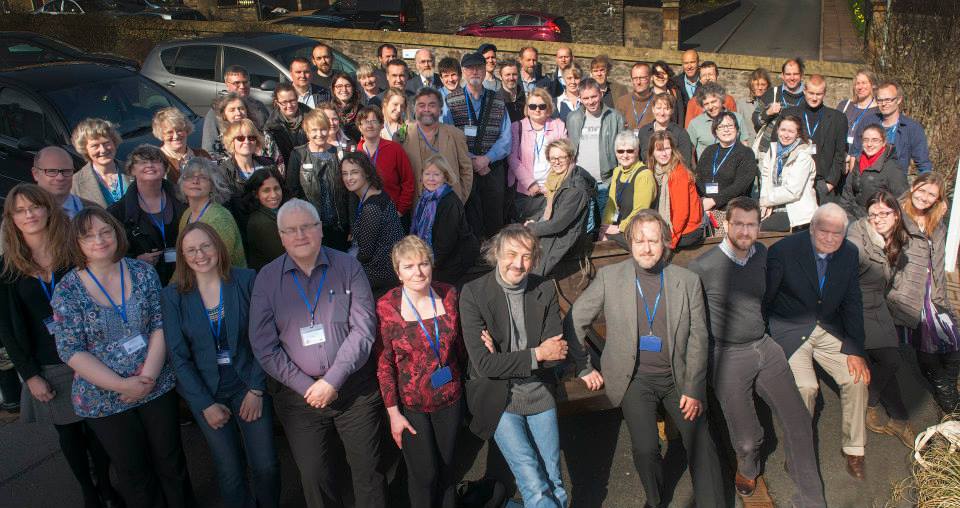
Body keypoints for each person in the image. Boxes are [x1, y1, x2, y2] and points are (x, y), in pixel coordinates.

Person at [568, 210, 723, 508]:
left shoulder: (687, 281)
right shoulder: (611, 277)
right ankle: (655, 499)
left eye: (653, 240)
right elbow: (576, 319)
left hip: (678, 378)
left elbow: (699, 339)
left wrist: (693, 389)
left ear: (665, 243)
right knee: (645, 450)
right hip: (634, 380)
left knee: (702, 444)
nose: (647, 247)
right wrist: (584, 366)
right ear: (630, 242)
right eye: (639, 240)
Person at [687, 197, 826, 507]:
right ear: (726, 224)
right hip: (727, 355)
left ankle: (810, 498)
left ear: (759, 227)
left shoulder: (760, 254)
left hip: (764, 346)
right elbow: (690, 320)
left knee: (799, 421)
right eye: (738, 223)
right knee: (749, 439)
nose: (745, 230)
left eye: (752, 224)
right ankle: (748, 467)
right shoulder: (703, 267)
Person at [249, 198, 387, 508]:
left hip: (354, 390)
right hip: (300, 399)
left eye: (306, 227)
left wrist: (333, 380)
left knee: (368, 473)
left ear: (320, 230)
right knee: (314, 477)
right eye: (290, 230)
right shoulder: (267, 279)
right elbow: (264, 345)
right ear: (281, 236)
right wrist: (306, 387)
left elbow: (363, 330)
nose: (300, 235)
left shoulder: (348, 267)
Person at [52, 207, 194, 507]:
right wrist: (122, 385)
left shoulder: (142, 272)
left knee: (171, 462)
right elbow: (70, 349)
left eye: (105, 231)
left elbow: (160, 324)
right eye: (88, 235)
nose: (99, 240)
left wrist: (149, 377)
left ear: (116, 232)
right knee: (134, 472)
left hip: (155, 385)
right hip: (103, 399)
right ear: (75, 243)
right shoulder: (68, 290)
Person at [0, 184, 122, 508]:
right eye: (21, 210)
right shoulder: (7, 268)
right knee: (70, 435)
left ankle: (106, 485)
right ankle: (88, 489)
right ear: (11, 219)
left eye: (35, 207)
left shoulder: (72, 250)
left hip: (89, 355)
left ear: (47, 209)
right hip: (49, 366)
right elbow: (8, 330)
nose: (29, 215)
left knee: (98, 430)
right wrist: (30, 375)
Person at [459, 225, 598, 508]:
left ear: (534, 259)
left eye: (526, 256)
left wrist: (506, 357)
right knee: (533, 482)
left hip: (539, 392)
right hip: (499, 397)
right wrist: (537, 353)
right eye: (511, 254)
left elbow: (557, 353)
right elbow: (485, 365)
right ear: (497, 253)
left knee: (553, 479)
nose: (518, 263)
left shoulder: (543, 288)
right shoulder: (473, 293)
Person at [162, 222, 280, 508]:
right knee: (229, 470)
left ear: (218, 247)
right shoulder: (173, 296)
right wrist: (204, 404)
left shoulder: (246, 280)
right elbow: (178, 357)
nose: (199, 254)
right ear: (182, 255)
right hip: (208, 392)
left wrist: (256, 388)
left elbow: (265, 338)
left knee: (265, 465)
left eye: (205, 246)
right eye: (191, 249)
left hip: (247, 384)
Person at [765, 203, 870, 480]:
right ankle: (797, 450)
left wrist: (855, 349)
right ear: (812, 227)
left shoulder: (848, 254)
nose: (830, 238)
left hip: (827, 328)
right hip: (790, 328)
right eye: (824, 231)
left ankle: (854, 447)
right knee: (806, 386)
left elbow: (852, 303)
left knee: (856, 378)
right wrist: (765, 341)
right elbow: (766, 299)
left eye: (838, 233)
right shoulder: (783, 252)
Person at [375, 235, 466, 508]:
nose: (418, 272)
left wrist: (481, 339)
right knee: (423, 474)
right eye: (409, 266)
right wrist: (393, 413)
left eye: (424, 263)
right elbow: (384, 364)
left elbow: (461, 345)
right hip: (412, 404)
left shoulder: (449, 295)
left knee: (448, 469)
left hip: (449, 397)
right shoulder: (387, 307)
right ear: (398, 272)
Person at [846, 191, 916, 447]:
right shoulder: (858, 235)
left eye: (883, 213)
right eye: (873, 214)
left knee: (889, 361)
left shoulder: (898, 240)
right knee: (889, 360)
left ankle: (893, 415)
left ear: (896, 214)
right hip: (855, 306)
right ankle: (888, 412)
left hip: (877, 305)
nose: (877, 219)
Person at [887, 173, 956, 416]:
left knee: (950, 345)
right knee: (928, 348)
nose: (924, 198)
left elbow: (937, 265)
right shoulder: (894, 214)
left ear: (938, 200)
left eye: (932, 195)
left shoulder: (937, 223)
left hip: (931, 291)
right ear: (913, 186)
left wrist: (942, 300)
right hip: (907, 289)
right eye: (922, 190)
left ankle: (948, 396)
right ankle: (950, 404)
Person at [442, 52, 513, 239]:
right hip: (464, 169)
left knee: (494, 217)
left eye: (479, 67)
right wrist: (472, 160)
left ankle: (494, 258)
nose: (475, 71)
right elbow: (448, 136)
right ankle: (472, 258)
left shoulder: (498, 100)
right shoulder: (450, 102)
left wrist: (486, 159)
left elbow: (506, 139)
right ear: (463, 71)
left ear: (485, 70)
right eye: (470, 68)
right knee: (469, 217)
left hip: (492, 169)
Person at [107, 145, 186, 285]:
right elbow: (111, 254)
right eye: (142, 162)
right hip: (145, 282)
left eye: (156, 161)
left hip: (185, 275)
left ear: (165, 168)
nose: (150, 165)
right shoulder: (117, 212)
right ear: (132, 170)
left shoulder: (184, 199)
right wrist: (136, 261)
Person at [525, 139, 596, 276]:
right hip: (556, 230)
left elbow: (558, 224)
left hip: (568, 240)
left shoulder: (575, 188)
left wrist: (531, 228)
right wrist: (532, 220)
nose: (556, 162)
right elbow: (548, 208)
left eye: (561, 158)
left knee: (532, 269)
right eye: (552, 158)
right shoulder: (556, 179)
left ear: (570, 157)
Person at [285, 109, 350, 252]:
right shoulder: (298, 155)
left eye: (323, 129)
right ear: (307, 132)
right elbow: (292, 192)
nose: (319, 134)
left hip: (338, 225)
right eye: (314, 130)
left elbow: (349, 192)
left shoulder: (340, 153)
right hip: (311, 225)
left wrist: (351, 224)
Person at [340, 152, 404, 295]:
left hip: (381, 274)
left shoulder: (372, 207)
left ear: (366, 173)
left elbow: (365, 254)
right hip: (386, 268)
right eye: (345, 173)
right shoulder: (374, 195)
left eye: (354, 172)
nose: (348, 178)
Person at [410, 155, 479, 285]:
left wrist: (428, 266)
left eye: (436, 174)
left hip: (454, 259)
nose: (431, 179)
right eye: (427, 174)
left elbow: (445, 242)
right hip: (435, 256)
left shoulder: (449, 202)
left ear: (445, 177)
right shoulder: (425, 198)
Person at [566, 78, 627, 222]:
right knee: (586, 226)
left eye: (593, 96)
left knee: (610, 224)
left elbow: (622, 149)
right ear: (580, 98)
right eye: (586, 98)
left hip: (607, 182)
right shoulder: (573, 118)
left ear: (600, 94)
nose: (591, 101)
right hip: (582, 184)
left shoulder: (615, 117)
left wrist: (619, 181)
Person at [782, 75, 848, 203]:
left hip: (823, 183)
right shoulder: (789, 114)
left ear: (824, 94)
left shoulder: (837, 118)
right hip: (793, 182)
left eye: (818, 94)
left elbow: (840, 153)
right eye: (811, 93)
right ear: (804, 91)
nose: (814, 97)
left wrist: (830, 183)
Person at [403, 88, 474, 203]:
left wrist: (459, 201)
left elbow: (466, 171)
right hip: (416, 206)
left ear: (440, 110)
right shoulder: (403, 136)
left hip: (448, 207)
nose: (426, 109)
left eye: (432, 105)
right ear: (415, 109)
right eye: (421, 105)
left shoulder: (455, 135)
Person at [507, 88, 568, 222]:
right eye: (533, 106)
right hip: (525, 192)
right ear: (527, 109)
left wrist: (550, 185)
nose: (537, 110)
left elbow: (565, 157)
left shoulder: (558, 125)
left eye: (542, 106)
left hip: (552, 190)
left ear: (548, 108)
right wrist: (530, 184)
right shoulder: (517, 127)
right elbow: (512, 158)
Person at [694, 112, 758, 233]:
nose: (726, 130)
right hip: (706, 209)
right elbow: (698, 177)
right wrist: (704, 200)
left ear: (737, 129)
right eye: (721, 127)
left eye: (730, 125)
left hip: (732, 211)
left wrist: (713, 201)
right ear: (715, 131)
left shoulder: (746, 153)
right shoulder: (709, 151)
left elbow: (740, 185)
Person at [849, 80, 932, 175]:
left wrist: (925, 186)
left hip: (894, 185)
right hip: (866, 182)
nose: (884, 104)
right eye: (880, 100)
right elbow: (855, 154)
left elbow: (923, 165)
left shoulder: (912, 128)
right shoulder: (867, 122)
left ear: (899, 100)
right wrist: (853, 182)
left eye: (888, 100)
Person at [177, 158, 247, 268]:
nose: (195, 181)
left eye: (203, 177)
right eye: (189, 176)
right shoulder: (187, 214)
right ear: (182, 182)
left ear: (213, 185)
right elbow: (182, 262)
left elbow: (218, 265)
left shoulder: (220, 218)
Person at [758, 115, 818, 232]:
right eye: (783, 130)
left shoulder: (803, 156)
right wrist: (764, 205)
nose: (785, 135)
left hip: (797, 214)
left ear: (798, 134)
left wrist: (765, 200)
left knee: (759, 230)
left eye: (791, 131)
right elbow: (765, 179)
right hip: (773, 208)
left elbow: (792, 191)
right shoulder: (772, 152)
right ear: (777, 130)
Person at [356, 105, 416, 219]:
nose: (369, 125)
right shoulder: (356, 154)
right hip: (366, 216)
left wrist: (400, 211)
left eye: (374, 121)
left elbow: (408, 181)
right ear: (360, 127)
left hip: (393, 215)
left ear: (381, 125)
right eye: (365, 122)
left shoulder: (395, 149)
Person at [647, 130, 704, 249]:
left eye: (667, 148)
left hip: (687, 230)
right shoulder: (657, 172)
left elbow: (681, 213)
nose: (664, 154)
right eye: (659, 149)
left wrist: (670, 241)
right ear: (652, 152)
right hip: (673, 228)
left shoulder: (677, 173)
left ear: (672, 149)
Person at [600, 132, 655, 250]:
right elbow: (612, 204)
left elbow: (640, 211)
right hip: (621, 229)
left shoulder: (644, 175)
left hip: (639, 229)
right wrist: (606, 226)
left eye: (630, 151)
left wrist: (619, 228)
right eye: (620, 151)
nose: (625, 155)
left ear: (637, 151)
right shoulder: (617, 171)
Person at [840, 125, 908, 220]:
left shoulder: (893, 169)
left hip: (877, 221)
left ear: (884, 142)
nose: (869, 144)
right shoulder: (859, 161)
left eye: (875, 140)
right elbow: (848, 192)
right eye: (866, 140)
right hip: (854, 218)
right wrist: (845, 215)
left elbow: (902, 201)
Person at [202, 65, 270, 155]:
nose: (242, 86)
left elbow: (268, 138)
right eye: (236, 83)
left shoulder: (259, 107)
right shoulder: (216, 112)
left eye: (245, 82)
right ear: (227, 84)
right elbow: (209, 149)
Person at [70, 118, 130, 208]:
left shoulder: (134, 171)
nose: (103, 150)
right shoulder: (75, 184)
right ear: (85, 149)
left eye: (106, 143)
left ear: (114, 142)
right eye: (95, 146)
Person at [210, 93, 282, 167]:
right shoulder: (219, 142)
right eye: (232, 110)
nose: (238, 113)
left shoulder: (263, 136)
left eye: (241, 108)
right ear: (224, 115)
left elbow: (278, 163)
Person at [752, 58, 806, 156]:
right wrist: (768, 113)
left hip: (795, 155)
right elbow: (755, 120)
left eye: (795, 74)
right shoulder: (772, 93)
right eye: (788, 74)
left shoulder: (808, 97)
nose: (792, 78)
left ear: (801, 75)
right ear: (782, 75)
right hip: (768, 152)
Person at [218, 119, 281, 197]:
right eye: (240, 138)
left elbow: (282, 192)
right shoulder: (224, 171)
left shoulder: (269, 165)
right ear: (232, 142)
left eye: (251, 138)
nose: (246, 142)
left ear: (256, 141)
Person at [687, 82, 750, 159]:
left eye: (713, 102)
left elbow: (744, 145)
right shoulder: (695, 124)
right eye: (706, 104)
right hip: (706, 169)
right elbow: (690, 152)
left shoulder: (737, 118)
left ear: (721, 99)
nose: (710, 107)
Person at [242, 168, 287, 271]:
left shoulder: (279, 212)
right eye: (266, 190)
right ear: (256, 194)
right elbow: (283, 257)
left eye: (276, 188)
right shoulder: (261, 223)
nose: (274, 195)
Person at [31, 146, 93, 218]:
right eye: (52, 171)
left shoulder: (93, 212)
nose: (60, 178)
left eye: (66, 171)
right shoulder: (21, 214)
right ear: (35, 174)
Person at [153, 107, 211, 183]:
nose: (176, 136)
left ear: (187, 130)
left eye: (179, 130)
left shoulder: (202, 155)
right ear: (161, 134)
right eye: (169, 132)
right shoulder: (155, 161)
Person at [636, 93, 694, 167]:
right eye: (659, 108)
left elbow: (685, 162)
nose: (662, 113)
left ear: (672, 110)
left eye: (666, 109)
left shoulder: (680, 133)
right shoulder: (643, 132)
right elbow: (639, 160)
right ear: (653, 109)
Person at [264, 83, 310, 168]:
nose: (289, 105)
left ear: (297, 98)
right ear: (277, 102)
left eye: (292, 100)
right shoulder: (271, 126)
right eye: (284, 102)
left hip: (309, 166)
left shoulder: (311, 117)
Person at [682, 61, 738, 128]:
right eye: (704, 75)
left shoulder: (728, 100)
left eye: (710, 74)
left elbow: (735, 126)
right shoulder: (693, 103)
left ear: (717, 76)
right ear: (700, 79)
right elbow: (689, 129)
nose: (707, 78)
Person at [836, 69, 879, 147]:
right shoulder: (844, 106)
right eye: (857, 83)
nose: (860, 87)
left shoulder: (878, 110)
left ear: (872, 85)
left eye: (864, 83)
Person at [615, 62, 656, 133]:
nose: (638, 82)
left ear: (650, 78)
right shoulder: (622, 102)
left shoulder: (658, 101)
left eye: (642, 78)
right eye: (635, 78)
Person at [738, 68, 772, 140]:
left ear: (768, 85)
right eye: (757, 84)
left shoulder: (772, 104)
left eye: (763, 84)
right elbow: (737, 128)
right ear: (751, 85)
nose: (760, 88)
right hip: (747, 146)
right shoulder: (742, 104)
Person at [331, 72, 363, 144]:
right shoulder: (329, 110)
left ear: (353, 88)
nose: (344, 89)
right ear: (333, 90)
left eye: (348, 86)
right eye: (339, 86)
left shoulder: (362, 111)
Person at [651, 60, 684, 125]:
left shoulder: (675, 93)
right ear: (652, 77)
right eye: (657, 74)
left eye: (664, 73)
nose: (661, 77)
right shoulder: (647, 94)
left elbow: (680, 118)